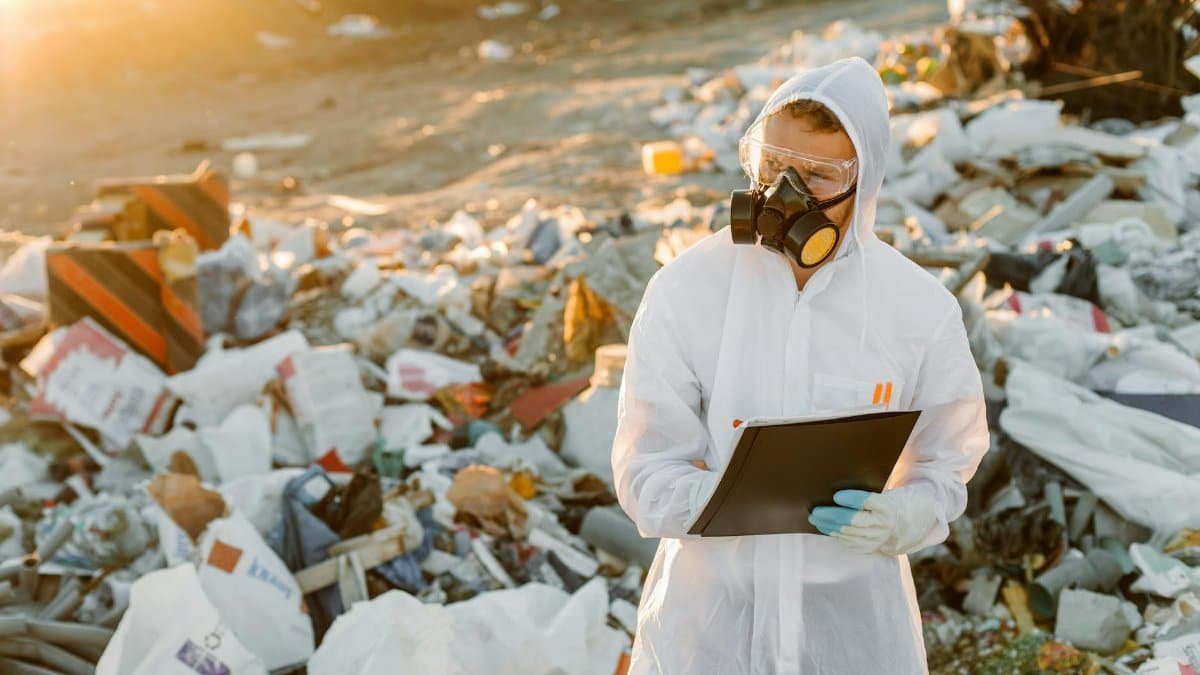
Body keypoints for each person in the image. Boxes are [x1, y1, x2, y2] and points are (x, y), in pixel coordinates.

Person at [610, 57, 990, 674]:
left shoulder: (918, 310)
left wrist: (903, 516)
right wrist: (729, 499)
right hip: (708, 632)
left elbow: (948, 467)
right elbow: (644, 474)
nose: (787, 192)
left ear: (863, 182)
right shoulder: (686, 291)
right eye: (773, 166)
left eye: (818, 175)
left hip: (853, 635)